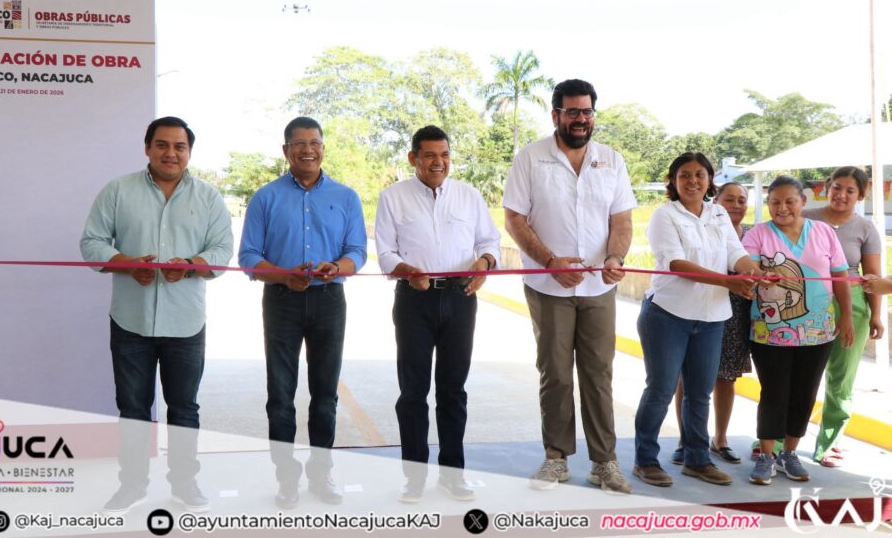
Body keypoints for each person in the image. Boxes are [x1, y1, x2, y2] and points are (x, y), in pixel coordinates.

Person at [80, 116, 234, 513]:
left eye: (179, 146)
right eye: (162, 145)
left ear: (189, 152)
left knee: (184, 408)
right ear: (147, 148)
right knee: (133, 409)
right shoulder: (118, 191)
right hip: (130, 321)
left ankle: (184, 484)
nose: (171, 153)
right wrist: (126, 263)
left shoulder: (209, 197)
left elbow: (222, 250)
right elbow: (92, 242)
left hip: (186, 323)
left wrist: (193, 265)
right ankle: (132, 486)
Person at [503, 79, 637, 494]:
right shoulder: (530, 158)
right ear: (556, 115)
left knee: (598, 374)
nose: (581, 119)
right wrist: (549, 261)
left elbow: (622, 220)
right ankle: (556, 459)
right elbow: (514, 219)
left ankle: (604, 462)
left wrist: (615, 258)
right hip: (548, 286)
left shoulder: (611, 160)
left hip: (599, 288)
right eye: (573, 111)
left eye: (587, 111)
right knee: (556, 374)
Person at [238, 116, 367, 508]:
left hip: (330, 300)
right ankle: (286, 478)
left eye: (315, 143)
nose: (308, 150)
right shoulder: (266, 197)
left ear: (323, 148)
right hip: (281, 301)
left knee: (325, 395)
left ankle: (321, 474)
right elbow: (248, 256)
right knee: (280, 395)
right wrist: (283, 275)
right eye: (299, 144)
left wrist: (337, 267)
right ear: (286, 150)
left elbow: (357, 251)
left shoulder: (346, 197)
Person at [374, 125, 501, 503]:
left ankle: (452, 475)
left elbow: (489, 241)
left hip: (461, 298)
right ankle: (414, 478)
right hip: (414, 300)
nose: (438, 162)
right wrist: (407, 271)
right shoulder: (393, 197)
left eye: (444, 155)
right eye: (429, 155)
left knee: (453, 391)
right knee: (413, 392)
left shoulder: (468, 195)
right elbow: (385, 252)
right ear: (413, 158)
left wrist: (485, 262)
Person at [632, 154, 757, 488]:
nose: (692, 181)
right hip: (667, 315)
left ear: (709, 180)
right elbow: (675, 264)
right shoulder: (664, 215)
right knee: (660, 391)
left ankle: (697, 461)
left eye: (699, 174)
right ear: (673, 181)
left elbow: (735, 253)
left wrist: (753, 271)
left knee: (700, 394)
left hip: (712, 317)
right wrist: (729, 282)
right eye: (684, 175)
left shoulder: (718, 213)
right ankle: (645, 461)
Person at [742, 175, 853, 485]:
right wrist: (757, 274)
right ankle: (766, 456)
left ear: (803, 202)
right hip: (769, 332)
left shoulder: (824, 232)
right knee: (774, 392)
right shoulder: (758, 234)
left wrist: (846, 315)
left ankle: (790, 453)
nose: (782, 208)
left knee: (805, 393)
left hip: (818, 332)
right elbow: (747, 266)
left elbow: (840, 276)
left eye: (790, 201)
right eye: (775, 202)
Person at [804, 167, 883, 467]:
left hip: (853, 307)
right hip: (806, 305)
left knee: (842, 377)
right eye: (837, 187)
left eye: (850, 191)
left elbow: (873, 276)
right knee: (798, 373)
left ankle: (830, 442)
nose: (841, 195)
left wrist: (876, 315)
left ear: (861, 196)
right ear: (827, 187)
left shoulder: (865, 228)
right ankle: (777, 438)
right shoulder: (805, 217)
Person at [670, 183, 754, 466]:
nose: (736, 205)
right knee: (689, 379)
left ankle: (721, 439)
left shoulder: (754, 234)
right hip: (699, 310)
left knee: (727, 377)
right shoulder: (702, 227)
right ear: (715, 201)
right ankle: (686, 440)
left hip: (737, 315)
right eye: (729, 199)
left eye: (742, 200)